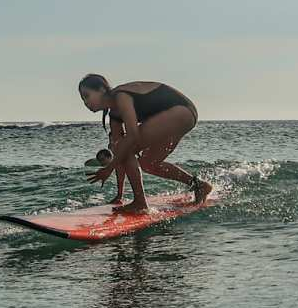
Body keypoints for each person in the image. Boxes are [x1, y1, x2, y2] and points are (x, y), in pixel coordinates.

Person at [77, 75, 210, 215]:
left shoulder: (121, 96)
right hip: (182, 116)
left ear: (102, 89)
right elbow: (119, 155)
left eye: (87, 96)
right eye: (83, 99)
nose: (86, 102)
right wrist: (119, 195)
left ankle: (140, 203)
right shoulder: (114, 117)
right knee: (147, 164)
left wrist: (108, 168)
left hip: (181, 111)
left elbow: (132, 137)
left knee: (127, 146)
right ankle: (199, 185)